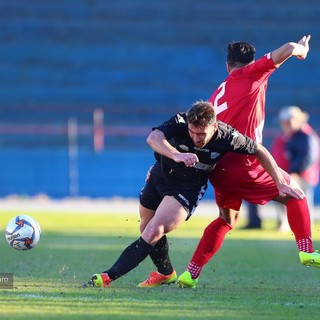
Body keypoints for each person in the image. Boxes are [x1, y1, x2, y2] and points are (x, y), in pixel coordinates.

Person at [87, 101, 303, 288]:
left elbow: (259, 150)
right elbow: (153, 137)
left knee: (154, 230)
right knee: (145, 226)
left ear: (214, 127)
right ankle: (166, 273)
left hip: (186, 189)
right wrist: (176, 154)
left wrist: (279, 181)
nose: (196, 138)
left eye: (202, 134)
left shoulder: (227, 135)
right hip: (159, 177)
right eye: (193, 132)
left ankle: (107, 276)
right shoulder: (181, 121)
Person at [177, 35, 320, 289]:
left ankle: (190, 273)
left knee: (226, 220)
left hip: (218, 167)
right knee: (295, 194)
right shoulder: (253, 73)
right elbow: (286, 48)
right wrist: (302, 50)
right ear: (251, 61)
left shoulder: (219, 89)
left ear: (227, 65)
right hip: (244, 162)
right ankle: (307, 250)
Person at [271, 105, 320, 231]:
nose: (286, 125)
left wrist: (295, 172)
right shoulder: (286, 135)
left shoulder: (306, 135)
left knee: (303, 202)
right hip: (287, 175)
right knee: (282, 199)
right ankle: (285, 223)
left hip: (301, 176)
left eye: (288, 122)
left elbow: (308, 157)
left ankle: (305, 227)